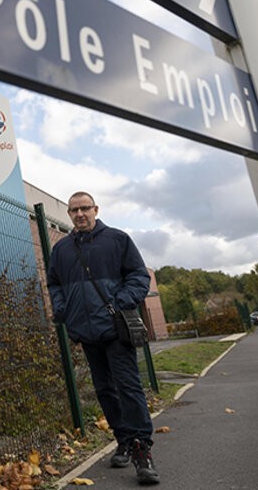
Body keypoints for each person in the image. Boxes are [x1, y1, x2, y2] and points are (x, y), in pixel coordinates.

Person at [47, 191, 160, 485]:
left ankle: (142, 450)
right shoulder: (61, 250)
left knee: (129, 387)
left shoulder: (117, 239)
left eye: (85, 208)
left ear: (95, 209)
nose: (80, 214)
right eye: (74, 210)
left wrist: (120, 302)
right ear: (69, 214)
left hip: (115, 330)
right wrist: (63, 310)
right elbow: (54, 284)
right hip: (85, 332)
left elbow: (139, 276)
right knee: (104, 390)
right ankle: (123, 439)